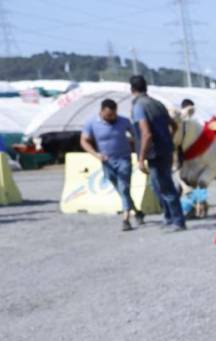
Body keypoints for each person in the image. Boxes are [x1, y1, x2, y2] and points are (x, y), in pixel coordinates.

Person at [130, 75, 186, 232]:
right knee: (157, 186)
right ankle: (169, 217)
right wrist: (168, 140)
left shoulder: (139, 107)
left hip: (155, 153)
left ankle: (178, 220)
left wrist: (141, 159)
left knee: (165, 186)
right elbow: (174, 125)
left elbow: (146, 134)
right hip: (165, 149)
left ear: (132, 89)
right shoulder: (158, 104)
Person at [80, 98, 143, 231]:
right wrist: (96, 154)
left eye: (114, 114)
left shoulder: (124, 121)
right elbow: (84, 141)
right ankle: (137, 211)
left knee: (124, 187)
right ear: (101, 111)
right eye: (109, 115)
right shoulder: (91, 123)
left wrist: (138, 150)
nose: (112, 118)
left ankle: (126, 220)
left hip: (124, 160)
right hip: (107, 162)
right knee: (121, 189)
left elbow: (137, 136)